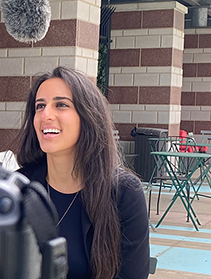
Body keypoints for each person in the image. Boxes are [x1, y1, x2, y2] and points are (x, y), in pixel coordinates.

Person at [15, 67, 149, 279]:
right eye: (39, 106)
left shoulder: (124, 193)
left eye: (61, 105)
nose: (45, 115)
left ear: (88, 117)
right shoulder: (19, 186)